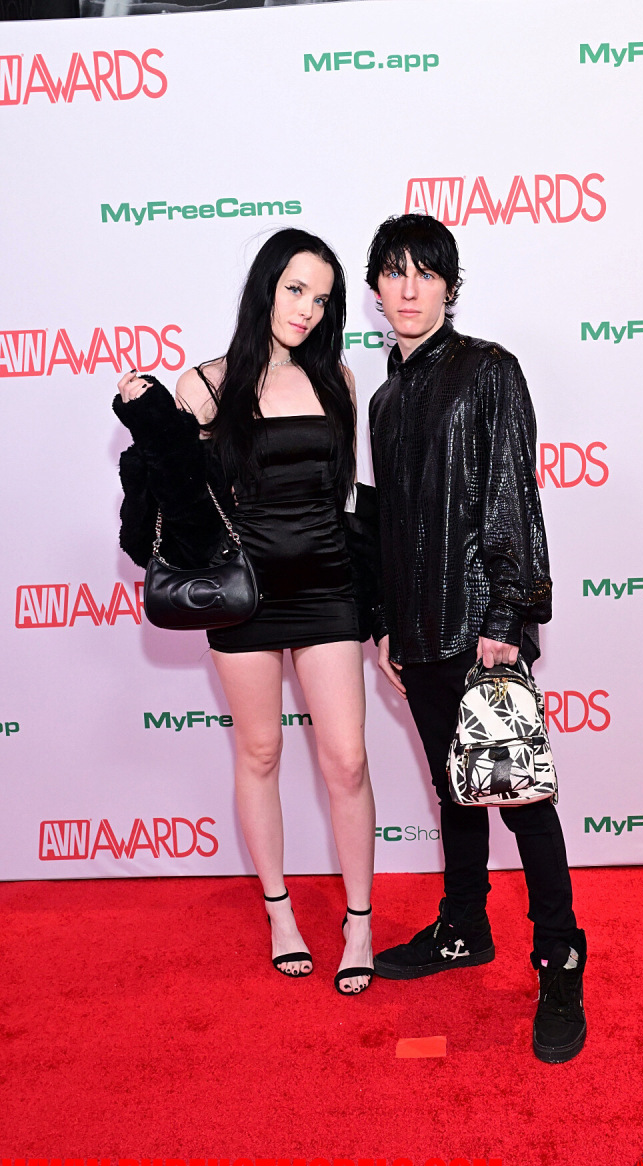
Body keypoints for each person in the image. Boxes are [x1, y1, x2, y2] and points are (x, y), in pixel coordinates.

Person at [113, 229, 376, 994]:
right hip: (242, 596)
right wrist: (150, 419)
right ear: (265, 286)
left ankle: (360, 921)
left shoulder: (338, 379)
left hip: (328, 587)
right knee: (259, 753)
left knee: (348, 760)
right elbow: (174, 499)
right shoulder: (205, 385)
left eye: (321, 298)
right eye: (295, 289)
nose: (307, 309)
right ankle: (280, 912)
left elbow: (342, 496)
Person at [366, 213, 587, 1060]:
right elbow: (388, 522)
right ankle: (463, 928)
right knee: (454, 793)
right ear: (376, 288)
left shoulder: (489, 370)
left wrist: (507, 619)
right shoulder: (385, 399)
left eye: (426, 273)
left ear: (450, 287)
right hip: (417, 632)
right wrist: (385, 623)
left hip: (481, 631)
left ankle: (560, 958)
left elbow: (511, 496)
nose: (410, 288)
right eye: (395, 272)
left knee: (523, 799)